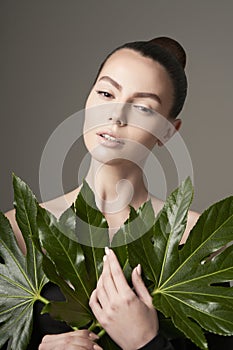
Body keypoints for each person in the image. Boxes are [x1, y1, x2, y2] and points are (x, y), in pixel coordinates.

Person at [5, 36, 202, 349]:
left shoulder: (197, 241)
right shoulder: (16, 231)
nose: (116, 116)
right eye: (107, 93)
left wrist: (145, 342)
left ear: (168, 131)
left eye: (142, 108)